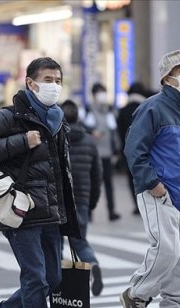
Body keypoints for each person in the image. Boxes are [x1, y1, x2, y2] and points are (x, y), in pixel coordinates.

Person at [0, 57, 80, 308]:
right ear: (31, 83)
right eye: (48, 79)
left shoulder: (58, 119)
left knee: (53, 278)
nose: (54, 86)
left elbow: (60, 171)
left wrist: (70, 214)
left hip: (49, 210)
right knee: (35, 278)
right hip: (18, 210)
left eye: (58, 80)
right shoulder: (9, 116)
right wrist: (22, 140)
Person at [121, 49, 180, 308]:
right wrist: (153, 183)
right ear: (167, 78)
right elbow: (134, 150)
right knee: (168, 250)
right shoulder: (153, 108)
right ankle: (137, 292)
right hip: (161, 191)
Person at [61, 99, 103, 296]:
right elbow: (97, 175)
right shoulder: (89, 141)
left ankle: (57, 283)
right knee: (80, 242)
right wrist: (91, 201)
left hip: (60, 201)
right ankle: (92, 263)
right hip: (82, 200)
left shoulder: (57, 139)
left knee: (56, 243)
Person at [84, 83, 120, 221]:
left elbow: (114, 131)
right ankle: (89, 212)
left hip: (107, 152)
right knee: (94, 183)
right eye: (100, 92)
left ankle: (111, 211)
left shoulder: (109, 109)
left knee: (109, 184)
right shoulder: (88, 109)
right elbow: (83, 127)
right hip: (94, 152)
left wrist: (116, 150)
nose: (102, 95)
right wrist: (92, 132)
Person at [116, 82, 148, 215]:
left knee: (131, 179)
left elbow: (119, 132)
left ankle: (137, 204)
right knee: (146, 175)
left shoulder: (123, 110)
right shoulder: (147, 107)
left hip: (128, 151)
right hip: (147, 149)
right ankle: (147, 203)